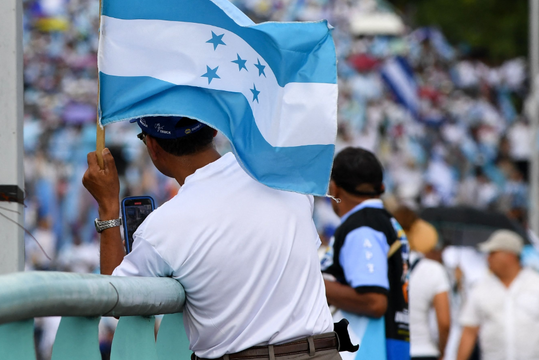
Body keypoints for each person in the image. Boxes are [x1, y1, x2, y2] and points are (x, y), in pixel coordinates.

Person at [82, 116, 344, 360]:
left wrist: (107, 206)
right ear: (214, 129)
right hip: (324, 353)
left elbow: (115, 300)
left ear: (153, 147)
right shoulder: (287, 179)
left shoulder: (164, 226)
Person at [321, 147, 410, 360]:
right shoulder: (384, 220)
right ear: (380, 187)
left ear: (335, 188)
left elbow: (374, 302)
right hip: (388, 344)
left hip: (364, 350)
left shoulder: (363, 227)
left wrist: (311, 281)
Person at [456, 229, 539, 360]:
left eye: (492, 253)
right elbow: (469, 331)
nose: (488, 258)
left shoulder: (535, 284)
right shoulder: (481, 288)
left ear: (510, 255)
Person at [393, 208, 450, 360]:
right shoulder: (434, 269)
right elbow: (444, 323)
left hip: (392, 350)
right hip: (425, 350)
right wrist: (442, 350)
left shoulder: (382, 268)